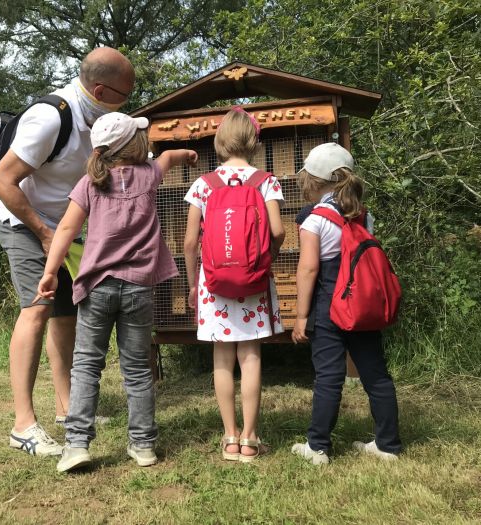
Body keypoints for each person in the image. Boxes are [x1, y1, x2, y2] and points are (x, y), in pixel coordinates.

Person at [0, 47, 135, 456]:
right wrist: (43, 233)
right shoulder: (51, 117)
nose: (127, 102)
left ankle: (67, 408)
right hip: (26, 225)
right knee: (36, 310)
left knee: (66, 316)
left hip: (65, 232)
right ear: (100, 91)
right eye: (125, 95)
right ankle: (23, 425)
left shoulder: (94, 120)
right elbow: (2, 181)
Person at [35, 112, 198, 472]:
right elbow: (168, 158)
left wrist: (49, 273)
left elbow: (65, 230)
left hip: (96, 288)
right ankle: (143, 445)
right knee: (137, 368)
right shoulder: (149, 174)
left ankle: (77, 445)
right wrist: (187, 154)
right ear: (134, 144)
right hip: (138, 288)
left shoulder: (89, 184)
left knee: (86, 366)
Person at [183, 108, 286, 462]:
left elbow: (190, 242)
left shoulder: (203, 184)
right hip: (254, 281)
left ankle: (229, 437)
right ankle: (250, 439)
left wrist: (193, 284)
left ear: (220, 141)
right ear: (254, 142)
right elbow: (277, 231)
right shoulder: (266, 181)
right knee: (251, 355)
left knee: (222, 358)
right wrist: (266, 258)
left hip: (213, 284)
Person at [291, 142, 401, 465]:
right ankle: (388, 445)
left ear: (313, 181)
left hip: (329, 306)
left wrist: (301, 316)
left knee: (328, 377)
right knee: (376, 375)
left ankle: (318, 447)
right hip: (362, 305)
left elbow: (308, 270)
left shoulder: (314, 220)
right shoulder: (364, 217)